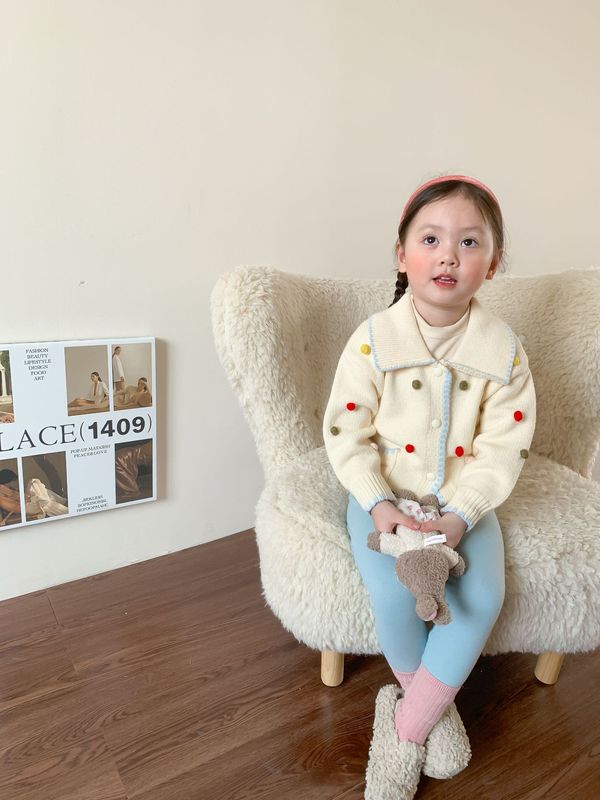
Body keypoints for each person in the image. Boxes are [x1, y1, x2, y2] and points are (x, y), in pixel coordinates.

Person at [322, 174, 536, 799]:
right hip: (383, 499)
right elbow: (346, 432)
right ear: (402, 254)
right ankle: (433, 719)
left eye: (469, 242)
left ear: (492, 262)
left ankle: (405, 728)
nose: (449, 256)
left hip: (463, 505)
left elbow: (504, 447)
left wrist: (462, 514)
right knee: (394, 596)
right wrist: (378, 504)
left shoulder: (505, 352)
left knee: (480, 599)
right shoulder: (371, 341)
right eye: (431, 239)